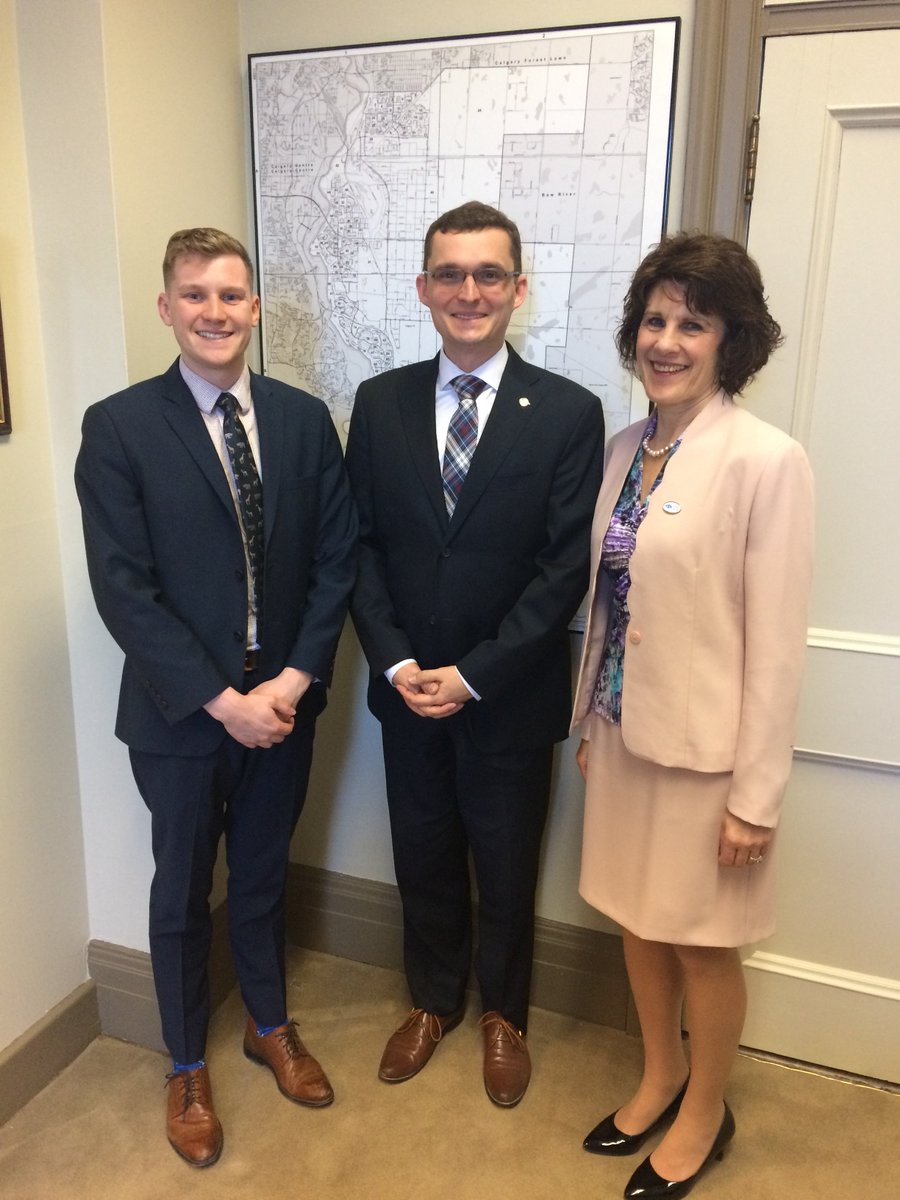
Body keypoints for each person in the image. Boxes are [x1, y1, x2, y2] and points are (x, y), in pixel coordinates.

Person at [75, 228, 357, 1168]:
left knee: (267, 874)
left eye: (231, 295)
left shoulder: (303, 419)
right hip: (179, 717)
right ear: (167, 308)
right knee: (183, 890)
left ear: (256, 308)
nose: (214, 312)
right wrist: (217, 698)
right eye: (194, 295)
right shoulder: (118, 426)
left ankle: (268, 1023)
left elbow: (333, 560)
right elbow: (124, 589)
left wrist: (290, 678)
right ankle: (187, 1060)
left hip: (282, 704)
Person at [345, 200, 605, 1107]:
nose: (468, 292)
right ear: (423, 288)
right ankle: (432, 1002)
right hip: (406, 687)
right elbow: (361, 546)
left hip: (508, 694)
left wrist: (474, 673)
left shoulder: (570, 413)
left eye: (488, 274)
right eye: (449, 274)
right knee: (420, 852)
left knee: (505, 862)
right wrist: (396, 662)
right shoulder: (378, 405)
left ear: (518, 288)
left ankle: (505, 1016)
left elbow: (562, 566)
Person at [572, 233, 814, 1198]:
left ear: (731, 340)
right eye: (655, 320)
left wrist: (756, 798)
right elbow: (611, 603)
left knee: (702, 944)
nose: (667, 340)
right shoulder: (625, 449)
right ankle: (661, 1073)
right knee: (640, 923)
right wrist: (593, 718)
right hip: (627, 738)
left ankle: (706, 1109)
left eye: (694, 323)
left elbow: (777, 644)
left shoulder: (767, 461)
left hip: (711, 759)